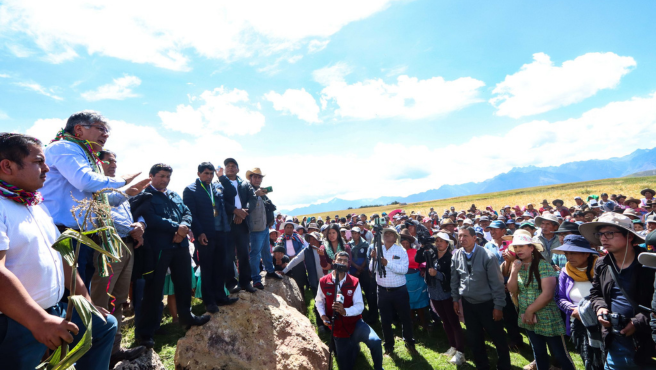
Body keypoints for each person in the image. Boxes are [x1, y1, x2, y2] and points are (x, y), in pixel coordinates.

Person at [0, 133, 117, 370]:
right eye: (38, 162)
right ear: (7, 166)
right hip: (17, 321)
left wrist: (85, 301)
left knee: (104, 326)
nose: (47, 169)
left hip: (53, 312)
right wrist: (39, 321)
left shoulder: (35, 204)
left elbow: (62, 256)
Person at [40, 111, 148, 289]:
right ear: (79, 129)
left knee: (80, 295)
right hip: (64, 235)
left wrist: (128, 192)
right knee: (70, 298)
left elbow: (100, 202)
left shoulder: (87, 157)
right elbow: (84, 181)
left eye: (107, 131)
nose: (105, 134)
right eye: (101, 129)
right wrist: (122, 180)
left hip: (84, 237)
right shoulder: (64, 147)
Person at [135, 164, 210, 348]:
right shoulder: (145, 196)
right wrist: (176, 228)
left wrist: (183, 229)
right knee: (154, 289)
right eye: (161, 176)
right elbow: (150, 219)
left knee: (184, 284)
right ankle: (146, 332)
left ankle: (187, 317)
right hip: (159, 248)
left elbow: (187, 212)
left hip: (181, 246)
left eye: (167, 177)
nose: (165, 180)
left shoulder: (174, 195)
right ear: (151, 175)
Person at [88, 150, 146, 365]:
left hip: (127, 246)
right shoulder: (92, 189)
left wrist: (140, 225)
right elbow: (103, 216)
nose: (113, 164)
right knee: (102, 300)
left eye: (115, 161)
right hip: (107, 247)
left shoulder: (119, 190)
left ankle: (114, 349)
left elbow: (132, 214)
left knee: (120, 299)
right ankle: (96, 353)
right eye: (108, 161)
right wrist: (133, 229)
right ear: (96, 163)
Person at [580, 213, 656, 368]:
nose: (603, 238)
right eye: (600, 234)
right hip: (613, 339)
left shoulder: (649, 263)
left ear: (629, 236)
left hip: (646, 341)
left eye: (609, 233)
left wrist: (637, 322)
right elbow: (596, 293)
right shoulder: (602, 263)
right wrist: (600, 308)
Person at [506, 230, 575, 370]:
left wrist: (530, 310)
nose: (518, 250)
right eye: (516, 247)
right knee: (538, 352)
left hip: (547, 316)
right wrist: (513, 271)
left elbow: (548, 294)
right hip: (527, 316)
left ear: (531, 248)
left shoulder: (543, 265)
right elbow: (512, 289)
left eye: (522, 246)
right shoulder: (518, 266)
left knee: (560, 353)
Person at [451, 226, 510, 370]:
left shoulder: (487, 256)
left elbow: (497, 283)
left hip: (487, 303)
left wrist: (498, 306)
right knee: (474, 337)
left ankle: (504, 365)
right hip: (468, 303)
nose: (462, 239)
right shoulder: (457, 255)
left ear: (474, 238)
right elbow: (454, 279)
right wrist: (455, 299)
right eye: (460, 236)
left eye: (465, 236)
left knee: (497, 336)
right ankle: (482, 365)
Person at [182, 162, 238, 313]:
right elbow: (191, 214)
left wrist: (222, 177)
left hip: (222, 232)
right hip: (206, 235)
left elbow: (232, 193)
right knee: (207, 268)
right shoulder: (190, 190)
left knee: (221, 267)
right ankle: (209, 301)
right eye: (206, 173)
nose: (209, 176)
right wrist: (199, 233)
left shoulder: (216, 187)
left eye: (211, 173)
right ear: (198, 173)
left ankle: (221, 296)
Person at [316, 252, 383, 370]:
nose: (342, 262)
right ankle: (353, 346)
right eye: (339, 260)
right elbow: (319, 301)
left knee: (376, 341)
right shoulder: (323, 281)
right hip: (337, 328)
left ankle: (378, 368)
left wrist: (345, 311)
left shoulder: (354, 281)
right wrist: (322, 315)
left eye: (345, 261)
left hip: (355, 323)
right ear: (334, 261)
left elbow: (360, 306)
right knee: (345, 366)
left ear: (348, 264)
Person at [553, 235, 603, 370]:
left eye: (573, 253)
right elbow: (559, 297)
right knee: (587, 358)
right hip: (579, 322)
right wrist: (574, 311)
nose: (569, 257)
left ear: (586, 253)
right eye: (567, 253)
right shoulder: (566, 271)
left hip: (603, 322)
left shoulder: (602, 268)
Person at [416, 231, 466, 364]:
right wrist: (422, 247)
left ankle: (461, 352)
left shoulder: (450, 257)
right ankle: (453, 346)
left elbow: (452, 277)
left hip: (446, 293)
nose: (438, 243)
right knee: (445, 321)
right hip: (434, 293)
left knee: (453, 322)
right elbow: (417, 259)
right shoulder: (432, 254)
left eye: (441, 241)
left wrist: (437, 274)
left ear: (447, 244)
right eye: (436, 240)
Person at [369, 227, 417, 355]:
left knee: (405, 317)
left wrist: (387, 263)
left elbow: (404, 269)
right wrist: (373, 258)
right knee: (385, 319)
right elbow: (371, 269)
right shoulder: (378, 249)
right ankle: (389, 345)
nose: (387, 235)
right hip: (382, 290)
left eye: (391, 233)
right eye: (385, 233)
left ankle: (409, 341)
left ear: (395, 237)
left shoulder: (400, 250)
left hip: (399, 290)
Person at [482, 220, 524, 350]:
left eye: (495, 229)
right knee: (498, 312)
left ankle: (516, 339)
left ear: (504, 231)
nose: (492, 232)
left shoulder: (512, 245)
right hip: (495, 284)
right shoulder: (488, 246)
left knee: (511, 313)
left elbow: (519, 264)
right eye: (491, 230)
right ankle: (502, 338)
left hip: (511, 282)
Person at [218, 158, 258, 293]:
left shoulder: (245, 184)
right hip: (227, 224)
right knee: (228, 255)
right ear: (224, 169)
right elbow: (220, 201)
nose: (230, 168)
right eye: (228, 166)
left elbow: (253, 198)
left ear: (238, 169)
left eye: (233, 166)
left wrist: (244, 212)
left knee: (244, 254)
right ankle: (231, 283)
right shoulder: (219, 184)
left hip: (243, 223)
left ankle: (246, 282)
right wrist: (235, 211)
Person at [244, 167, 282, 289]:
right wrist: (256, 194)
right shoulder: (247, 189)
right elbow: (245, 205)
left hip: (264, 227)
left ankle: (270, 271)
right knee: (255, 254)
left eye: (259, 177)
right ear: (250, 178)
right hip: (255, 229)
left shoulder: (261, 191)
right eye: (255, 176)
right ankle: (256, 279)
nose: (257, 179)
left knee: (266, 250)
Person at [400, 229, 429, 332]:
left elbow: (422, 262)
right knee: (409, 302)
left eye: (407, 243)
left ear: (410, 243)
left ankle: (423, 322)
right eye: (403, 243)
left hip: (417, 278)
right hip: (404, 279)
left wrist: (422, 269)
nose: (405, 245)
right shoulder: (398, 253)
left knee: (420, 302)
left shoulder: (415, 251)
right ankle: (411, 323)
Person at [348, 227, 377, 323]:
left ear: (359, 234)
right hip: (353, 271)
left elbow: (367, 257)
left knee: (368, 291)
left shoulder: (365, 244)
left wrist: (360, 268)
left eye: (356, 233)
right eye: (353, 233)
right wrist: (356, 267)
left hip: (364, 271)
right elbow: (349, 258)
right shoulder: (349, 245)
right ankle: (360, 312)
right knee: (356, 292)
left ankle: (372, 313)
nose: (355, 235)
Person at [277, 217, 309, 292]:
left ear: (293, 229)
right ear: (284, 229)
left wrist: (295, 256)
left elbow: (302, 247)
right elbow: (279, 250)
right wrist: (287, 257)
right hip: (286, 262)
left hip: (298, 261)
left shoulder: (298, 237)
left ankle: (302, 299)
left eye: (291, 227)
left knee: (300, 280)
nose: (289, 229)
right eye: (287, 227)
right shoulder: (280, 239)